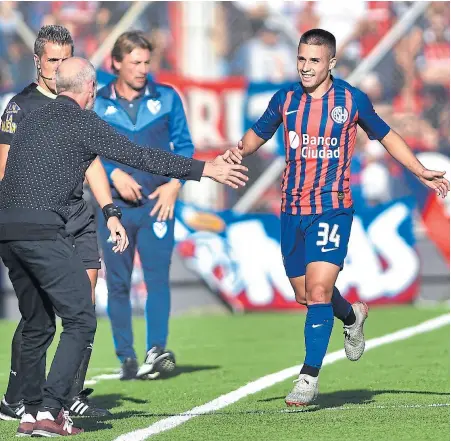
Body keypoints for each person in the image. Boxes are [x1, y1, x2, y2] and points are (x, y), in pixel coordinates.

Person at [0, 56, 247, 437]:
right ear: (89, 90)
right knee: (80, 317)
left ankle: (31, 413)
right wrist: (203, 170)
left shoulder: (31, 119)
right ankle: (51, 410)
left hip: (8, 229)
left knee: (37, 322)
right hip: (41, 230)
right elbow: (140, 157)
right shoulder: (82, 120)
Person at [223, 28, 449, 406]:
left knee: (317, 291)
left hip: (332, 208)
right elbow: (256, 134)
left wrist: (419, 169)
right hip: (292, 209)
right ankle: (351, 316)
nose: (306, 67)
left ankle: (308, 378)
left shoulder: (351, 100)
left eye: (314, 60)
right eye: (301, 59)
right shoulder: (286, 99)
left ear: (331, 62)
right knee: (305, 294)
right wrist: (236, 153)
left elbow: (387, 135)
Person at [0, 25, 119, 420]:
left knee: (83, 307)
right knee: (39, 317)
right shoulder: (20, 108)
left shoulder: (77, 102)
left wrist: (110, 210)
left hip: (77, 218)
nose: (57, 68)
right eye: (52, 60)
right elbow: (4, 169)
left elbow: (94, 160)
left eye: (64, 60)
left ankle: (66, 396)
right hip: (41, 222)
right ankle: (19, 396)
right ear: (37, 61)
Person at [94, 31, 190, 380]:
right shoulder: (98, 104)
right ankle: (126, 358)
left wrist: (174, 186)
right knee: (117, 283)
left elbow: (185, 147)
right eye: (135, 62)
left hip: (157, 206)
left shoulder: (166, 98)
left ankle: (156, 350)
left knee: (157, 279)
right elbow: (85, 151)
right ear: (116, 63)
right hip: (113, 210)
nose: (142, 69)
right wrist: (112, 173)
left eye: (146, 62)